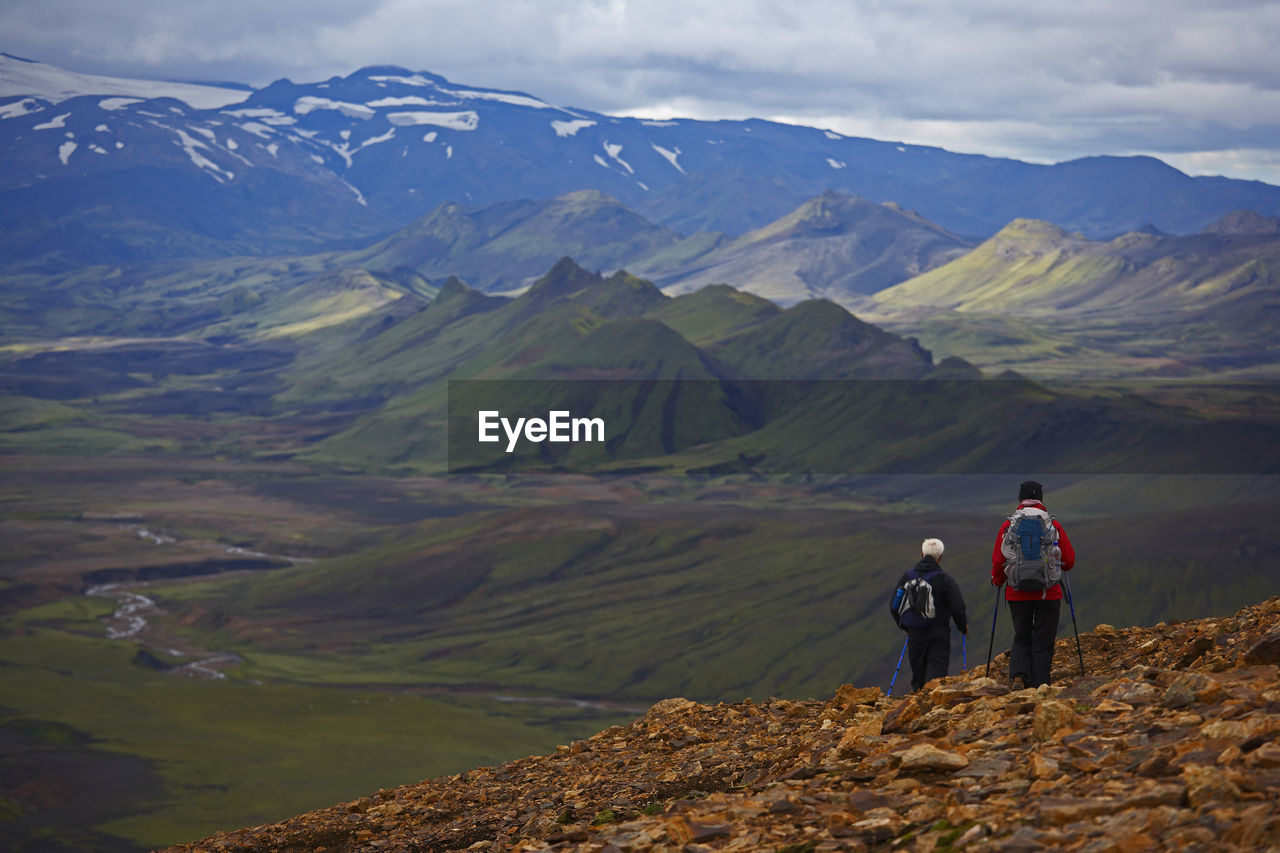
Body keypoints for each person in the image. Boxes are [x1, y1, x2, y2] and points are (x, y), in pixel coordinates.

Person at [991, 480, 1076, 689]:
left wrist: (998, 580)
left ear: (1020, 499)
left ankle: (1019, 676)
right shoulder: (1052, 524)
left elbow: (998, 559)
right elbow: (1069, 560)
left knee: (1022, 636)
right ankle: (1040, 685)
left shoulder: (1009, 525)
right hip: (1049, 592)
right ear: (1041, 499)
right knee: (1043, 641)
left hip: (1017, 592)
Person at [890, 538, 968, 692]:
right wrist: (962, 626)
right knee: (936, 672)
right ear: (940, 557)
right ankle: (931, 704)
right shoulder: (945, 579)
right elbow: (957, 606)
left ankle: (918, 701)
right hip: (939, 632)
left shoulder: (908, 577)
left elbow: (894, 606)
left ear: (922, 554)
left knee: (918, 671)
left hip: (915, 632)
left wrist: (904, 626)